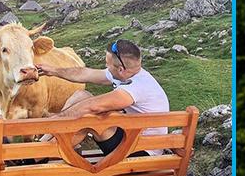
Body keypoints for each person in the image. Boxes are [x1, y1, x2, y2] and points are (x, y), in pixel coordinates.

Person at [35, 38, 170, 156]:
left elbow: (93, 106)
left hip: (140, 152)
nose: (105, 66)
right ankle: (38, 147)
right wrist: (53, 71)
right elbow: (84, 74)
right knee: (82, 95)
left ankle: (38, 156)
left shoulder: (137, 88)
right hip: (130, 137)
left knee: (88, 119)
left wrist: (57, 118)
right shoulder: (127, 73)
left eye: (107, 63)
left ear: (121, 70)